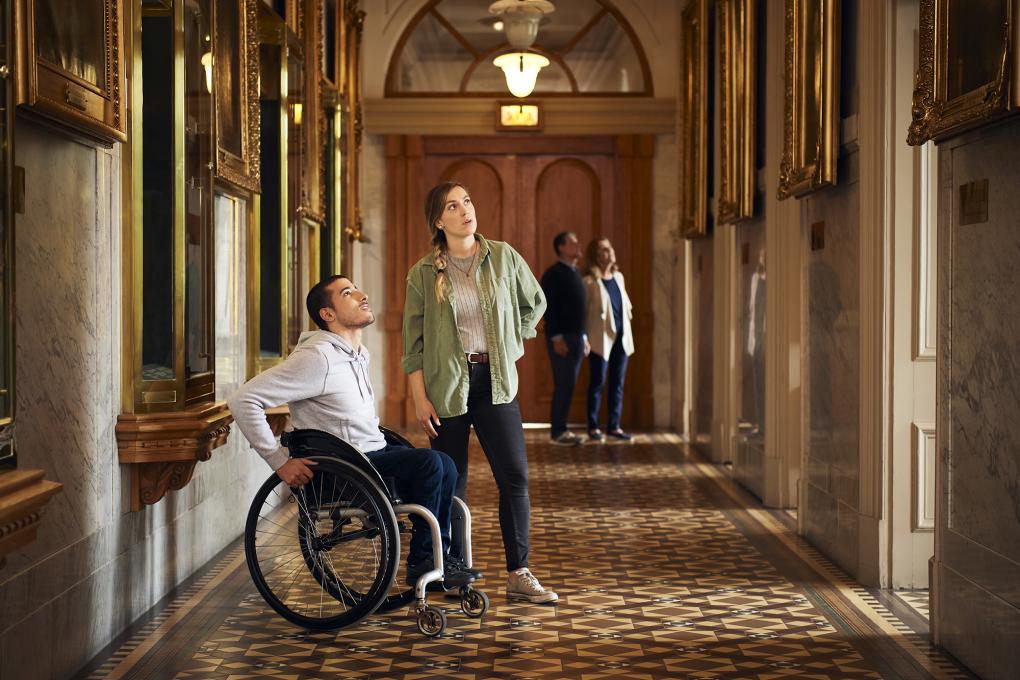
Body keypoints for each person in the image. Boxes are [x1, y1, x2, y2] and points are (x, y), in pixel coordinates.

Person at [228, 275, 479, 588]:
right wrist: (279, 461)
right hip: (346, 464)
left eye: (358, 288)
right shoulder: (317, 358)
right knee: (431, 464)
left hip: (370, 453)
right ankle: (424, 560)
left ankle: (440, 557)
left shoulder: (358, 353)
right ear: (328, 314)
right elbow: (243, 400)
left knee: (445, 464)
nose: (362, 295)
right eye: (348, 293)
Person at [402, 181, 558, 604]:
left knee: (515, 476)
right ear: (439, 220)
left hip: (497, 382)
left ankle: (519, 572)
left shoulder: (503, 257)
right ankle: (453, 570)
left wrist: (513, 341)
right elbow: (412, 345)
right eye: (453, 206)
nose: (465, 210)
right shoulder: (422, 273)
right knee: (452, 480)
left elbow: (535, 303)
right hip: (446, 386)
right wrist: (419, 398)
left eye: (467, 201)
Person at [540, 231, 590, 446]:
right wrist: (557, 338)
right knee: (564, 385)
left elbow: (580, 310)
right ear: (561, 247)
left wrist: (584, 336)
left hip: (577, 337)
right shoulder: (553, 274)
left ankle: (563, 429)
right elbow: (548, 308)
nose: (578, 245)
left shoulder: (575, 272)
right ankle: (558, 431)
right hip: (562, 339)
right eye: (573, 242)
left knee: (569, 385)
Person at [583, 237, 635, 441]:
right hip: (599, 339)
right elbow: (583, 313)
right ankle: (593, 426)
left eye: (610, 247)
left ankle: (614, 426)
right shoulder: (589, 282)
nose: (610, 251)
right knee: (597, 383)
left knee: (617, 384)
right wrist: (584, 338)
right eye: (604, 249)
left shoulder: (619, 277)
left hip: (622, 338)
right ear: (596, 256)